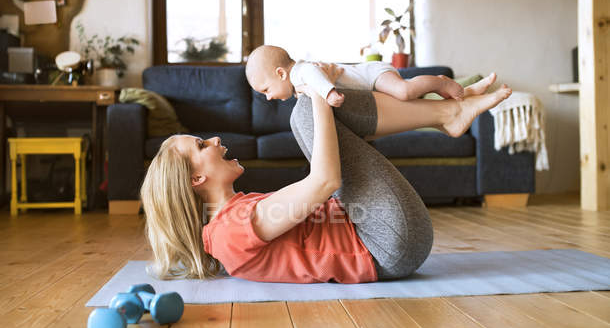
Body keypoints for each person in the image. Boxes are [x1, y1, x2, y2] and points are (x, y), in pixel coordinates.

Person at [140, 67, 512, 283]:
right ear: (195, 180)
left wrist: (322, 96)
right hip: (386, 244)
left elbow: (325, 188)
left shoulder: (232, 219)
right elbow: (324, 182)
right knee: (307, 110)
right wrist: (319, 91)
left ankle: (448, 113)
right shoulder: (228, 230)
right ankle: (446, 114)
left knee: (317, 114)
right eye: (203, 146)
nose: (215, 139)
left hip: (384, 239)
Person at [244, 45, 495, 107]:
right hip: (369, 83)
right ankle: (454, 92)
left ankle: (441, 81)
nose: (267, 98)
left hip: (371, 75)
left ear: (281, 73)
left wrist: (329, 93)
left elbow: (314, 73)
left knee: (404, 92)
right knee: (411, 102)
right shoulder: (297, 86)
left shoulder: (300, 71)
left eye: (266, 90)